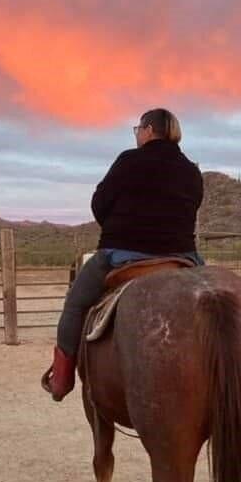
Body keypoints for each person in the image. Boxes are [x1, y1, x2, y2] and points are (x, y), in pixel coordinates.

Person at [42, 108, 204, 401]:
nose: (137, 134)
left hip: (123, 253)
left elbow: (100, 203)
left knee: (75, 303)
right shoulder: (191, 169)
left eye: (138, 129)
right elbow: (193, 206)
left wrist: (121, 228)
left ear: (149, 130)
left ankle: (63, 378)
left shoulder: (128, 160)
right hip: (182, 255)